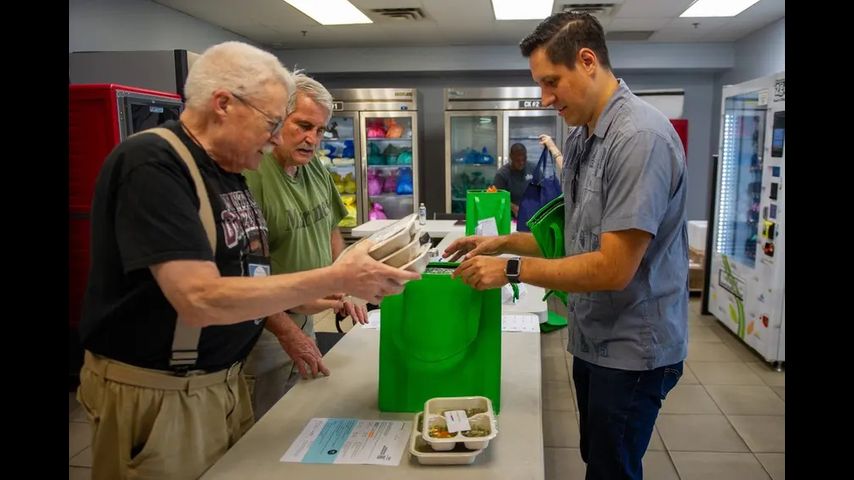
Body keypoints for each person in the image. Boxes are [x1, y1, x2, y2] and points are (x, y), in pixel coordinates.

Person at [75, 41, 419, 480]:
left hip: (222, 381)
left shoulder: (229, 171)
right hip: (164, 391)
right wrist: (335, 278)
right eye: (273, 122)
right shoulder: (152, 163)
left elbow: (248, 273)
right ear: (223, 104)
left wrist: (324, 294)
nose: (276, 138)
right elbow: (199, 298)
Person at [445, 11, 688, 480]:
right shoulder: (582, 138)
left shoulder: (639, 139)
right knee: (596, 456)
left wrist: (511, 269)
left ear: (588, 61)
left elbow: (613, 268)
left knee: (611, 468)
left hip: (632, 347)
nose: (545, 98)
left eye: (551, 82)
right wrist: (500, 243)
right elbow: (572, 238)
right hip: (594, 336)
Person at [242, 73, 369, 420]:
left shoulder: (314, 168)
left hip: (305, 318)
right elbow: (242, 276)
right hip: (266, 330)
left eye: (320, 130)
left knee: (299, 416)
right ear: (277, 119)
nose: (312, 138)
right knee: (265, 429)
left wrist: (343, 283)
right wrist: (287, 332)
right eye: (303, 126)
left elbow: (331, 230)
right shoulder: (252, 176)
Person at [492, 142, 531, 218]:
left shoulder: (533, 169)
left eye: (524, 159)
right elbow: (496, 197)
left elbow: (543, 189)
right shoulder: (502, 174)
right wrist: (513, 207)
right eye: (518, 160)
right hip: (509, 217)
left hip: (531, 215)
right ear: (511, 157)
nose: (521, 163)